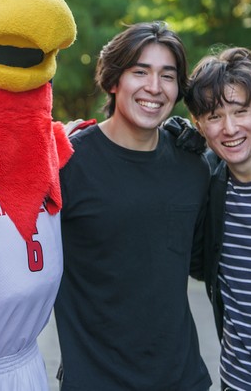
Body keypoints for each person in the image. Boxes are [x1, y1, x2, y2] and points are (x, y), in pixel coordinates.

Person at [54, 21, 212, 390]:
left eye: (167, 76)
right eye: (140, 72)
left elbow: (204, 261)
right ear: (113, 80)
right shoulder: (67, 164)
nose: (154, 87)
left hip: (183, 379)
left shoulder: (193, 166)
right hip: (96, 381)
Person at [185, 47, 251, 391]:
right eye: (214, 116)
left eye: (240, 111)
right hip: (238, 381)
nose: (230, 128)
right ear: (199, 125)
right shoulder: (211, 190)